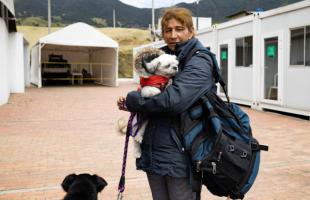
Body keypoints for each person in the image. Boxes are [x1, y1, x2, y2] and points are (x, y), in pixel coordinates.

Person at [117, 7, 217, 200]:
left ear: (191, 30)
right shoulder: (162, 56)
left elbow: (172, 102)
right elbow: (151, 93)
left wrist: (133, 100)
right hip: (154, 148)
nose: (173, 35)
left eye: (179, 29)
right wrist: (135, 102)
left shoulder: (199, 60)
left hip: (181, 153)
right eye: (168, 30)